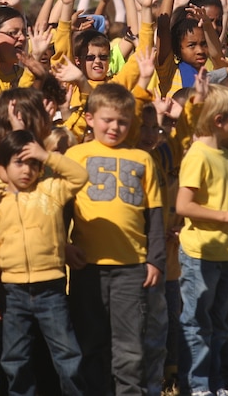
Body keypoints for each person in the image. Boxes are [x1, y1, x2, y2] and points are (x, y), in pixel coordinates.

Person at [66, 83, 166, 396]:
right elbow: (61, 209)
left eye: (122, 121)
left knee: (129, 343)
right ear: (90, 118)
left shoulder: (142, 159)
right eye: (107, 120)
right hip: (88, 265)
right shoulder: (75, 155)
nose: (115, 127)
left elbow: (156, 216)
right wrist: (63, 245)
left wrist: (155, 259)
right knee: (90, 339)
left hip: (131, 266)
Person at [0, 130, 89, 395]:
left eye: (33, 164)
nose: (26, 170)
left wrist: (47, 155)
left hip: (50, 288)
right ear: (3, 167)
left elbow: (80, 176)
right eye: (19, 163)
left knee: (68, 355)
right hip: (12, 290)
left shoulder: (51, 190)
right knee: (15, 359)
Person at [175, 82, 228, 396]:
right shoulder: (198, 155)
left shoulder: (225, 153)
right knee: (198, 322)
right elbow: (184, 205)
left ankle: (216, 382)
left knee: (220, 324)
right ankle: (195, 385)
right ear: (219, 121)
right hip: (200, 255)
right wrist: (227, 216)